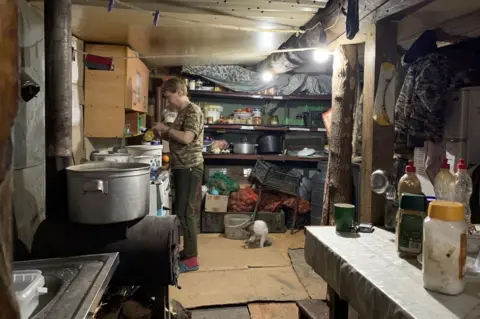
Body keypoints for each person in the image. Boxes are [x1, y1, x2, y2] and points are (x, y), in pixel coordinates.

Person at [153, 77, 204, 273]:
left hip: (190, 167)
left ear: (180, 92)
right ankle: (188, 252)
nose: (168, 102)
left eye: (169, 97)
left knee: (186, 212)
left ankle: (192, 260)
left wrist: (167, 129)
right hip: (182, 166)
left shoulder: (193, 111)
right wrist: (163, 132)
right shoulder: (182, 112)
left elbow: (187, 137)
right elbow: (177, 134)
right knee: (182, 212)